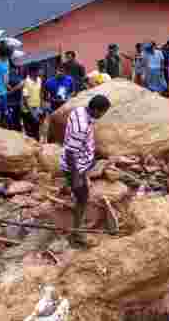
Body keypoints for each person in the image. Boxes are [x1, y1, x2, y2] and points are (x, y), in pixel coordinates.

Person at [61, 94, 112, 248]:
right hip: (75, 167)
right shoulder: (82, 128)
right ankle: (77, 234)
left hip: (80, 164)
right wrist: (76, 177)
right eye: (103, 113)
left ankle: (70, 190)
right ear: (96, 110)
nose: (103, 116)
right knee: (83, 198)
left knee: (81, 193)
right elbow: (70, 152)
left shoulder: (79, 111)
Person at [21, 66, 44, 141]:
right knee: (29, 134)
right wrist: (32, 113)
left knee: (37, 131)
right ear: (32, 72)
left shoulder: (39, 80)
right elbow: (25, 100)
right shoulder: (26, 82)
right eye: (38, 71)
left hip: (37, 108)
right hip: (28, 110)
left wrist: (41, 107)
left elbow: (40, 93)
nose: (39, 72)